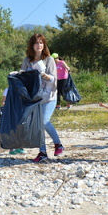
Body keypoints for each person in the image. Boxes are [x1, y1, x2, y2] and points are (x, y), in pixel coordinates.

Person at [20, 33, 63, 163]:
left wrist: (44, 75)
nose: (39, 45)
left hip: (49, 96)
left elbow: (54, 78)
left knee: (44, 121)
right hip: (34, 97)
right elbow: (23, 76)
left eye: (41, 43)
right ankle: (42, 152)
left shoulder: (49, 59)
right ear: (32, 45)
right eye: (36, 43)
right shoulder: (27, 60)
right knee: (37, 125)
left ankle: (58, 144)